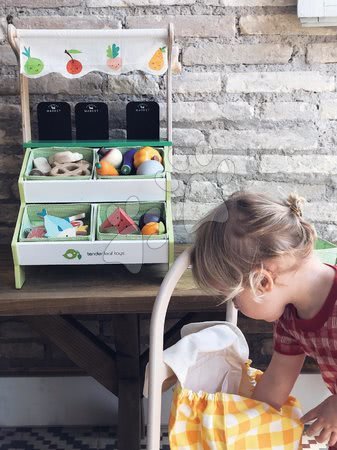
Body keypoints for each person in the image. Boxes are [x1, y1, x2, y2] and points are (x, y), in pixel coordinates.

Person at [190, 190, 337, 449]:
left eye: (234, 297)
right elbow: (277, 379)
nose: (234, 305)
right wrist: (247, 427)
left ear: (261, 281)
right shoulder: (289, 317)